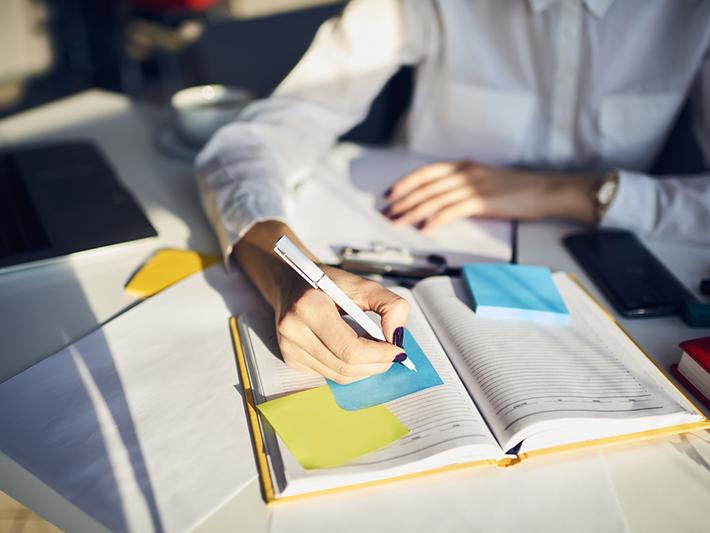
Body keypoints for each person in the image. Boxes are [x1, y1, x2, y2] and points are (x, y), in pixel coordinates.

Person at [196, 0, 710, 383]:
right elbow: (253, 142)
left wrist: (575, 193)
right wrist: (283, 271)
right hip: (412, 262)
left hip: (613, 305)